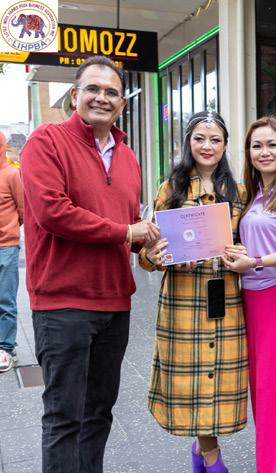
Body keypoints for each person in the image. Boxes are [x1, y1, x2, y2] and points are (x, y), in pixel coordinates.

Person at [19, 55, 159, 473]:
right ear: (74, 95)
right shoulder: (45, 141)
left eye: (111, 92)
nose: (102, 97)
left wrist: (149, 247)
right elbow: (53, 213)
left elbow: (129, 223)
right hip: (63, 304)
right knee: (64, 418)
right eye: (92, 89)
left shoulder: (128, 157)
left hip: (115, 305)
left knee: (99, 414)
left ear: (123, 104)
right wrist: (127, 232)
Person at [141, 111, 247, 473]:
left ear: (225, 145)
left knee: (216, 382)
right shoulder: (170, 189)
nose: (207, 146)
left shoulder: (239, 193)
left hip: (225, 298)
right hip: (183, 301)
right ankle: (213, 458)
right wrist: (160, 258)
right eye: (200, 138)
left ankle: (202, 453)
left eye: (215, 139)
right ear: (189, 142)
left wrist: (242, 255)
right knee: (195, 384)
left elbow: (248, 244)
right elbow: (148, 254)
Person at [220, 116, 276, 473]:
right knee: (264, 391)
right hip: (252, 300)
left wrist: (255, 261)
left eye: (272, 144)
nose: (264, 152)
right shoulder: (253, 192)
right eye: (256, 146)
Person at [0, 132, 23, 373]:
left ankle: (6, 348)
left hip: (6, 246)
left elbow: (23, 209)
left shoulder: (11, 174)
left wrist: (11, 229)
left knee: (5, 299)